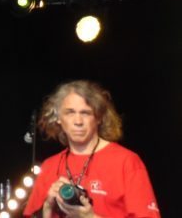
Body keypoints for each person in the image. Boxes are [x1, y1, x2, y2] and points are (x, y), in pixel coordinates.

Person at [23, 80, 159, 218]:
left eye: (86, 113)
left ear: (99, 118)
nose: (78, 121)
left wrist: (90, 217)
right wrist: (47, 207)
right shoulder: (49, 166)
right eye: (70, 112)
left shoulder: (127, 161)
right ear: (58, 118)